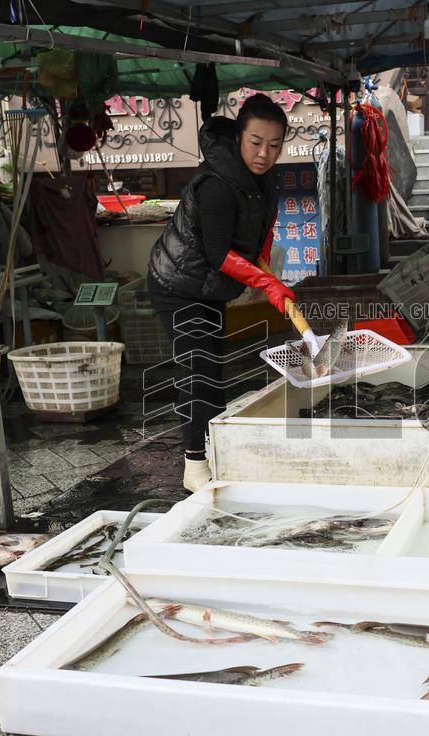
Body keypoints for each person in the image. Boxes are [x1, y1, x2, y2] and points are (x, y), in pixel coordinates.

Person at [146, 93, 295, 492]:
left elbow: (260, 238)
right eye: (256, 142)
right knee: (199, 367)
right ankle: (194, 465)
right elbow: (218, 253)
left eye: (275, 145)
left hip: (209, 287)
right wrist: (265, 283)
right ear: (238, 137)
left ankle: (212, 450)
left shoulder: (266, 182)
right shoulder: (216, 183)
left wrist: (270, 274)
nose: (265, 153)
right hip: (177, 283)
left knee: (213, 366)